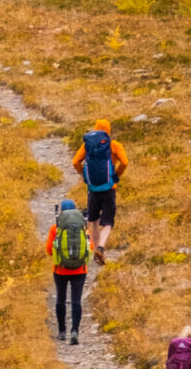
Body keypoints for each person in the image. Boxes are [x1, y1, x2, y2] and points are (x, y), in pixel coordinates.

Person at [71, 121, 129, 263]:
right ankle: (101, 247)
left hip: (93, 189)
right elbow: (125, 162)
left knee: (93, 219)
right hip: (109, 188)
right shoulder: (114, 145)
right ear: (108, 131)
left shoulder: (87, 146)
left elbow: (75, 162)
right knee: (108, 221)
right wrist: (116, 175)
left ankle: (93, 249)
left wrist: (83, 176)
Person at [46, 197, 91, 343]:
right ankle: (75, 331)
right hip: (80, 270)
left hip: (60, 270)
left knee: (61, 299)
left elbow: (48, 250)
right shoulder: (83, 228)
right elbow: (90, 247)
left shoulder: (56, 229)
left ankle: (62, 331)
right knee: (76, 301)